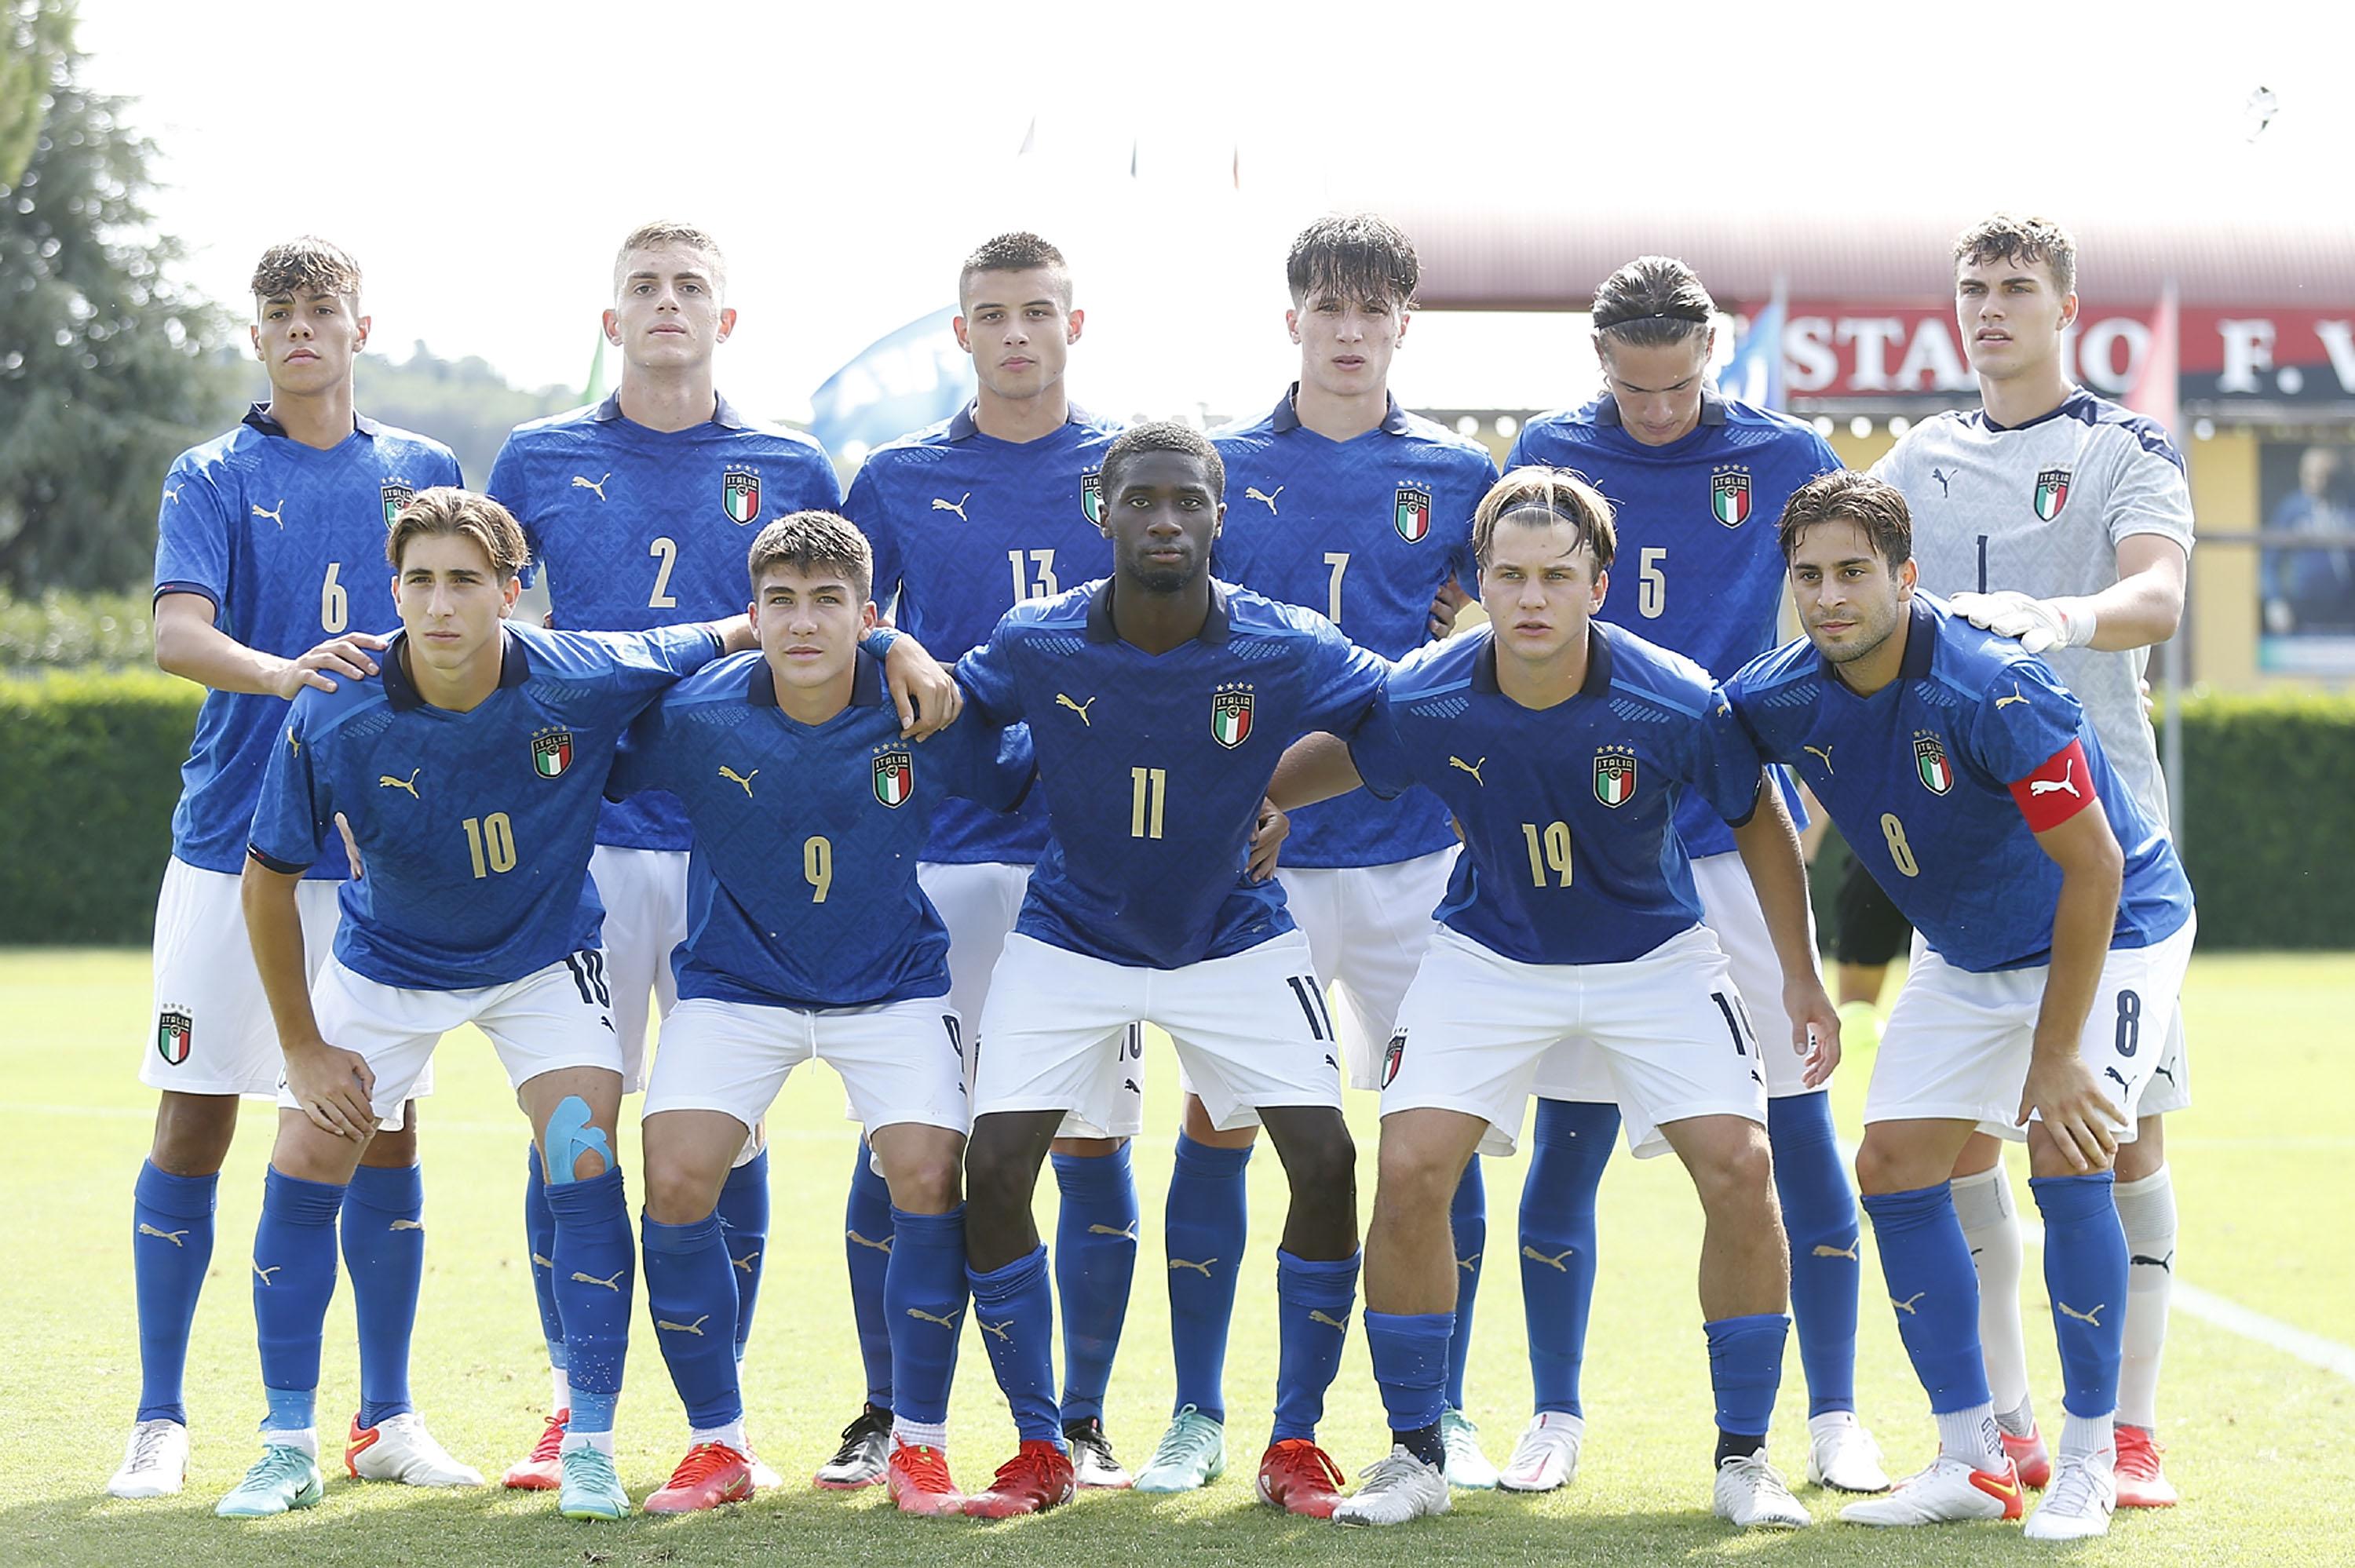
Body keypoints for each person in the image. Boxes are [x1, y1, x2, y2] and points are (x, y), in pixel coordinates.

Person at [1269, 467, 1832, 1530]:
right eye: (1511, 574)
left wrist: (1800, 972)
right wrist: (1255, 798)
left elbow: (1758, 815)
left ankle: (1745, 1458)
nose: (1532, 596)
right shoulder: (1430, 689)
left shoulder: (1672, 695)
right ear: (1480, 579)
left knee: (1744, 1164)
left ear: (1598, 584)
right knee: (1409, 1160)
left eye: (1556, 576)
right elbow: (1352, 755)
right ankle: (1415, 1451)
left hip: (1656, 957)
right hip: (1488, 955)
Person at [223, 487, 760, 1519]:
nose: (440, 603)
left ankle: (590, 1443)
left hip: (543, 960)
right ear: (396, 591)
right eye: (419, 580)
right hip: (385, 963)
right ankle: (285, 1440)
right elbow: (266, 879)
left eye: (466, 580)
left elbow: (737, 627)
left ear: (513, 594)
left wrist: (893, 652)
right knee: (301, 1159)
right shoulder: (335, 707)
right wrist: (300, 1045)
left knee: (582, 1152)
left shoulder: (580, 672)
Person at [1727, 470, 2196, 1541]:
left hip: (2114, 927)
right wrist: (1802, 969)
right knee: (1891, 1163)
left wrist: (2058, 1052)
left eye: (1854, 571)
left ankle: (2085, 1461)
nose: (1831, 595)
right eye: (1809, 575)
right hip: (1969, 943)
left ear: (1907, 575)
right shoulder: (1778, 693)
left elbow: (2097, 868)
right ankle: (1974, 1455)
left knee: (2072, 1151)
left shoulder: (1994, 685)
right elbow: (1741, 795)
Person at [1499, 256, 1886, 1495]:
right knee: (1570, 1132)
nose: (1656, 410)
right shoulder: (1548, 447)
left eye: (1677, 386)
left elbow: (1843, 607)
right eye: (1632, 386)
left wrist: (1812, 782)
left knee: (1793, 1127)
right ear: (1599, 361)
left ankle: (1833, 1415)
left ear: (1712, 352)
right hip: (1590, 848)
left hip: (1726, 838)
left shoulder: (1786, 455)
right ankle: (1553, 1414)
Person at [1127, 211, 1499, 1497]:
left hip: (1414, 856)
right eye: (1326, 308)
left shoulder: (1457, 475)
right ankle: (1197, 1412)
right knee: (1224, 1121)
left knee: (1430, 1139)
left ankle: (1436, 1408)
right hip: (1261, 860)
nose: (1349, 331)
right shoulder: (1219, 464)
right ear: (1292, 318)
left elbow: (1495, 639)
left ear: (1404, 319)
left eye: (1372, 308)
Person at [950, 421, 1382, 1519]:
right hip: (1072, 934)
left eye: (1188, 501)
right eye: (1142, 499)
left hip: (1234, 933)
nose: (1165, 519)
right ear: (1103, 512)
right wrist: (908, 660)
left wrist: (1280, 791)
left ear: (1218, 515)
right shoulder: (1038, 639)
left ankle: (1293, 1439)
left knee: (1326, 1161)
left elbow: (1393, 719)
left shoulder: (1282, 644)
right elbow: (964, 714)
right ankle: (1041, 1445)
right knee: (994, 1169)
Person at [115, 236, 472, 1501]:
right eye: (282, 314)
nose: (304, 328)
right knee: (195, 1113)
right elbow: (174, 633)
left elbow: (462, 637)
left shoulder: (424, 472)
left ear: (360, 326)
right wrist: (283, 671)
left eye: (324, 309)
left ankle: (384, 1415)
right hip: (230, 841)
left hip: (376, 850)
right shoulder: (210, 470)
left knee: (380, 1117)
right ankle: (160, 1418)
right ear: (255, 337)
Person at [1871, 213, 2196, 1505]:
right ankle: (2004, 1426)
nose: (1991, 308)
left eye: (2017, 288)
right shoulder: (1917, 455)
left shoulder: (2129, 447)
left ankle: (2126, 1430)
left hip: (2104, 855)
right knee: (1953, 1152)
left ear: (2067, 307)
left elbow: (2159, 595)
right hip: (1961, 870)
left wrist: (2059, 616)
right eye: (1973, 289)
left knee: (2117, 1141)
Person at [606, 511, 1017, 1516]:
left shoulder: (912, 703)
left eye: (828, 602)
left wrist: (924, 670)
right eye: (781, 602)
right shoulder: (698, 712)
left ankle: (919, 1445)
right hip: (735, 985)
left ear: (866, 616)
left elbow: (1012, 782)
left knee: (926, 1171)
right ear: (751, 615)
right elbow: (591, 760)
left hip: (892, 985)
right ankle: (718, 1447)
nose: (802, 623)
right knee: (675, 1173)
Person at [841, 231, 1141, 1490]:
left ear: (1079, 323)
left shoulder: (1138, 472)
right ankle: (884, 1411)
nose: (1017, 332)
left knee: (1088, 1139)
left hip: (1090, 860)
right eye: (992, 315)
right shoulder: (901, 475)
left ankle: (1079, 1416)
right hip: (939, 851)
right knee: (912, 1136)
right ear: (959, 334)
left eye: (1038, 311)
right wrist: (897, 637)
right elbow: (838, 607)